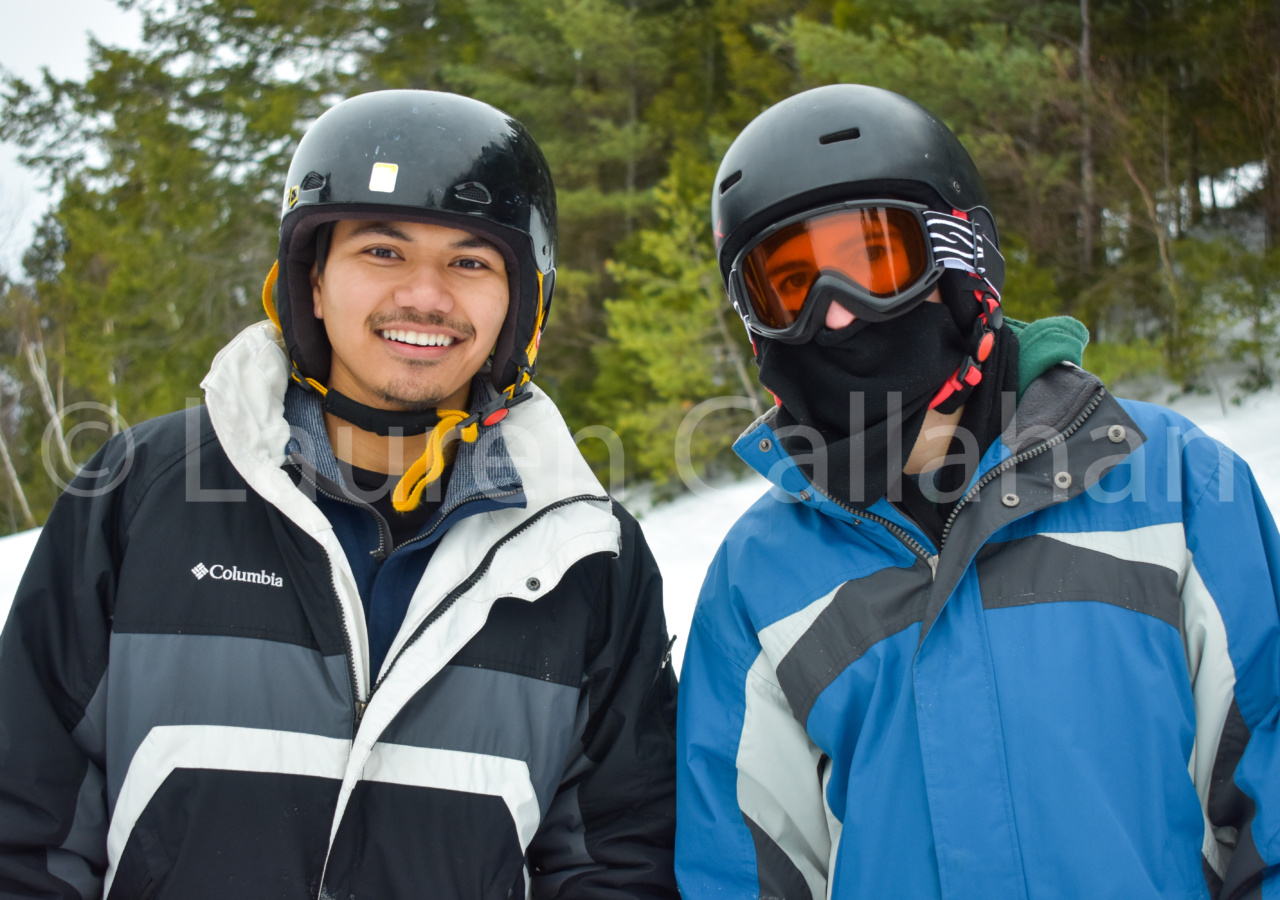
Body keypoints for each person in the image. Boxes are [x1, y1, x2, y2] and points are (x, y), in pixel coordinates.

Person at [0, 90, 679, 899]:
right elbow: (26, 827)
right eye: (383, 253)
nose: (425, 296)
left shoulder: (585, 554)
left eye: (469, 262)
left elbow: (619, 861)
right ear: (311, 284)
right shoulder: (141, 493)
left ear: (520, 306)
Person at [675, 84, 1280, 900]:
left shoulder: (1175, 485)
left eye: (874, 260)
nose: (840, 316)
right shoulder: (757, 579)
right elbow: (737, 874)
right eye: (791, 285)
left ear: (964, 259)